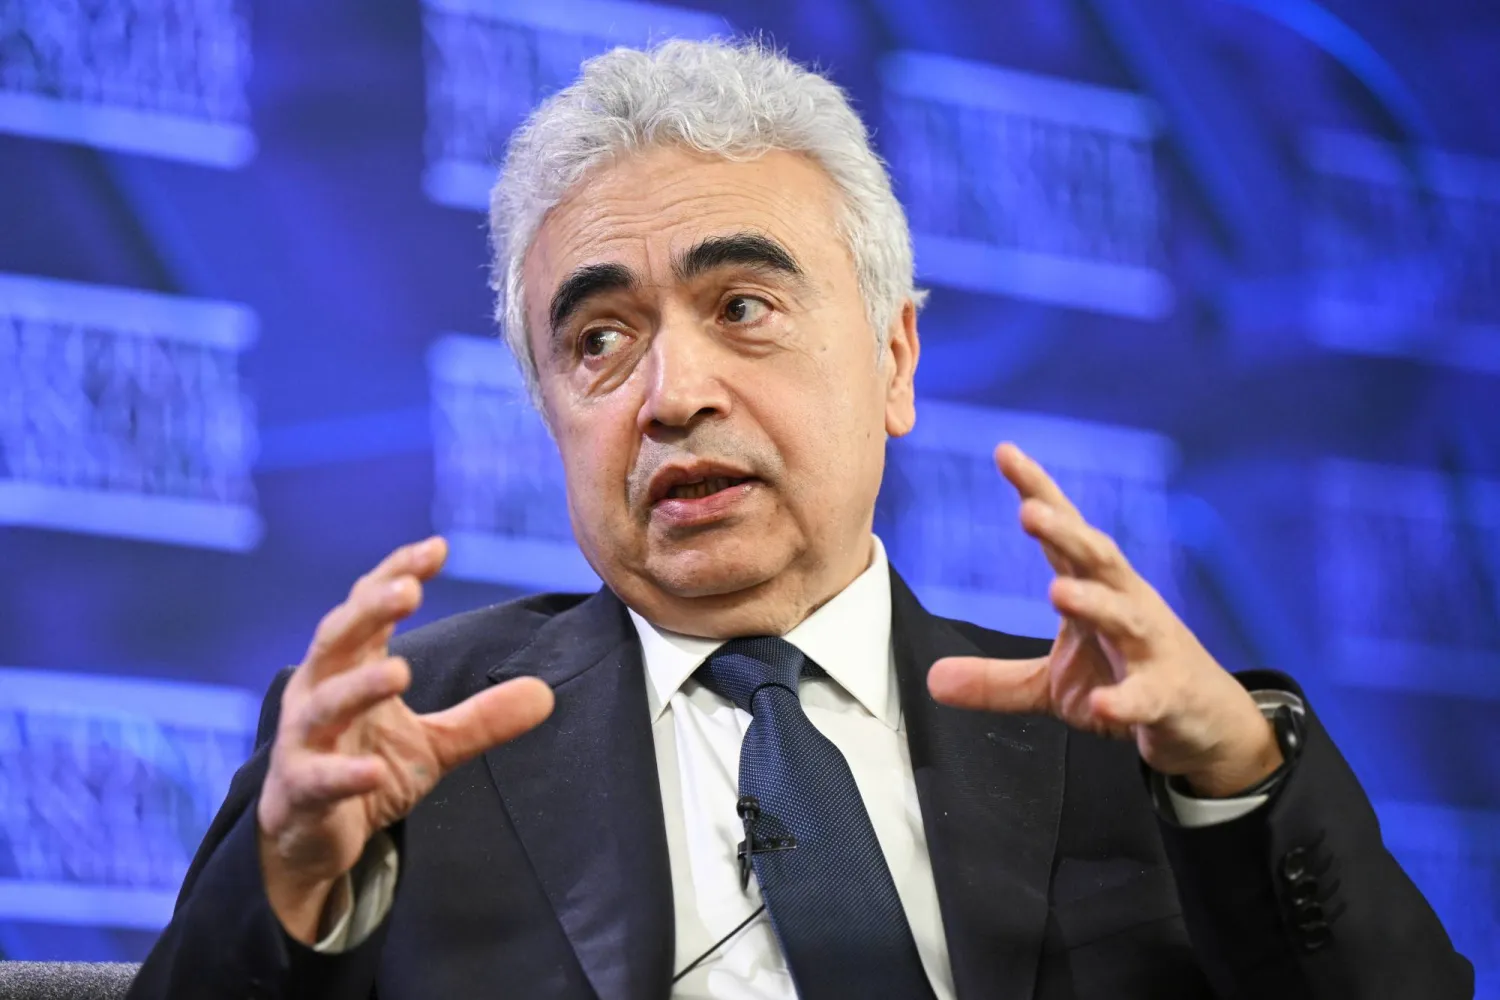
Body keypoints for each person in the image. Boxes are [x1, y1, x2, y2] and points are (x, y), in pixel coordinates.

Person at [128, 39, 1471, 1000]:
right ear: (549, 414)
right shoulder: (398, 741)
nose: (673, 394)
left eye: (744, 308)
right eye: (598, 339)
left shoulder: (1113, 745)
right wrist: (292, 884)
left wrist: (1233, 781)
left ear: (894, 361)